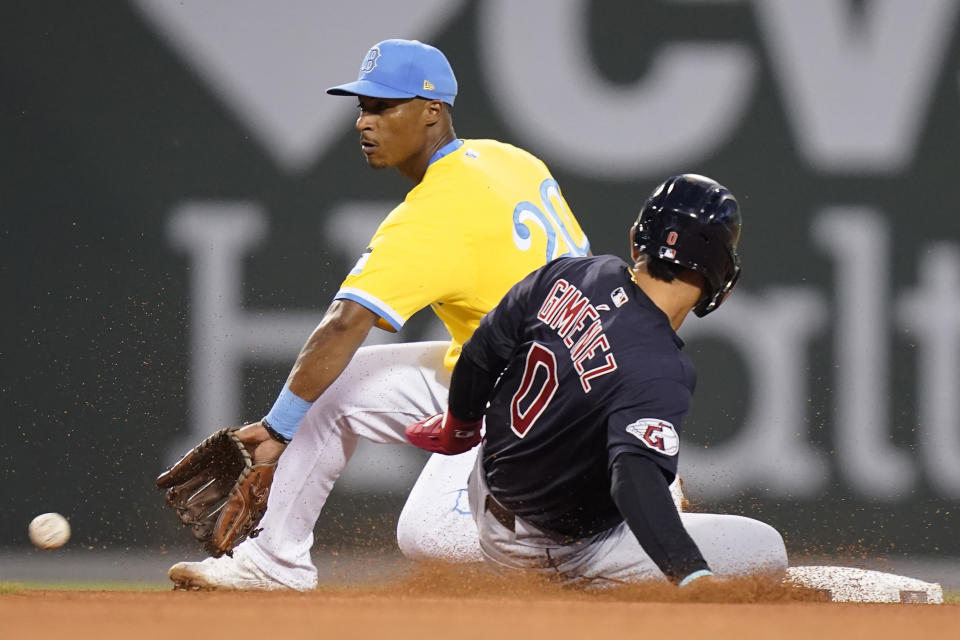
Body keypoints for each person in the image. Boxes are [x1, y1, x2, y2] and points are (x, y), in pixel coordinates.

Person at [165, 38, 590, 591]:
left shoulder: (433, 212)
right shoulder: (513, 160)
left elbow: (344, 324)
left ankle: (585, 542)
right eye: (362, 106)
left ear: (433, 110)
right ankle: (274, 562)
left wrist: (276, 430)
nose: (366, 122)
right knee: (337, 388)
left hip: (542, 410)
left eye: (384, 107)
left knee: (428, 537)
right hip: (568, 377)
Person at [403, 174, 787, 586]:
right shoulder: (661, 370)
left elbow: (480, 354)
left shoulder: (571, 272)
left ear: (638, 239)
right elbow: (634, 480)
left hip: (484, 491)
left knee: (640, 446)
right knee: (765, 547)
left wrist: (459, 425)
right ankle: (575, 591)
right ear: (721, 273)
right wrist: (691, 574)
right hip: (551, 553)